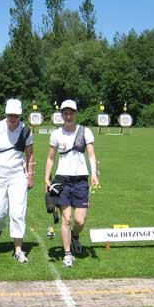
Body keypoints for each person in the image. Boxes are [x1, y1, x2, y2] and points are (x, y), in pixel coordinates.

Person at [44, 99, 99, 267]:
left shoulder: (85, 131)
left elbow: (91, 155)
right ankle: (67, 254)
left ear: (75, 114)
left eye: (71, 113)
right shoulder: (56, 134)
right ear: (61, 115)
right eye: (65, 113)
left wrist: (94, 174)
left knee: (80, 220)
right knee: (66, 219)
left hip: (81, 181)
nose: (68, 116)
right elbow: (51, 158)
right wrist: (46, 178)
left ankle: (75, 236)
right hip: (62, 181)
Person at [0, 99, 34, 263]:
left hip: (18, 176)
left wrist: (30, 176)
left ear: (20, 115)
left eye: (16, 115)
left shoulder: (26, 130)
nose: (12, 118)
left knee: (18, 212)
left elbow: (30, 155)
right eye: (10, 115)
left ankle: (18, 249)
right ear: (6, 114)